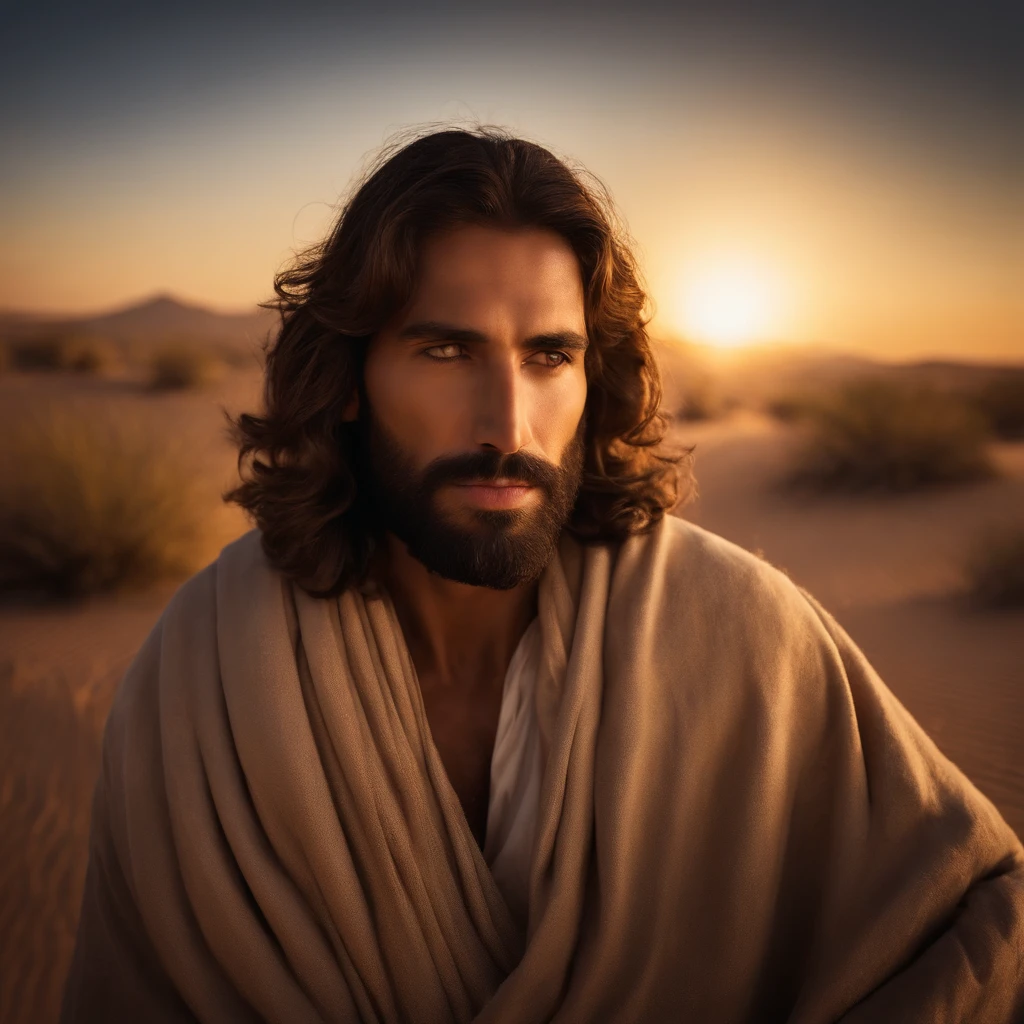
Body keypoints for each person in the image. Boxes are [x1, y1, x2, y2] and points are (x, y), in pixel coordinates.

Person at [61, 125, 1024, 1024]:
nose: (507, 426)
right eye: (446, 349)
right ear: (349, 380)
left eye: (549, 355)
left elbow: (979, 918)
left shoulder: (745, 634)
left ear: (590, 379)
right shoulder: (207, 674)